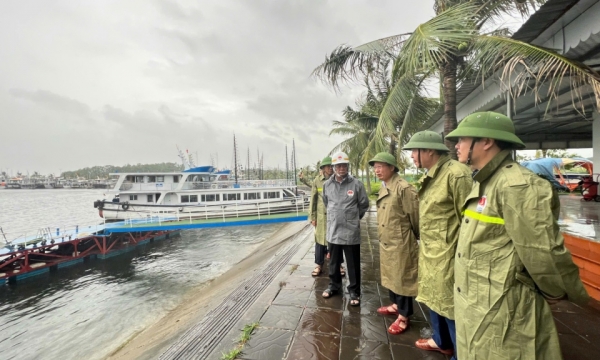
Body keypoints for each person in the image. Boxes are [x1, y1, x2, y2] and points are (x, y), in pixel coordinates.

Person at [445, 111, 589, 359]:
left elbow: (542, 250)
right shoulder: (485, 182)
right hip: (479, 302)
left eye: (463, 139)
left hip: (504, 307)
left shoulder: (517, 185)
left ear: (487, 142)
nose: (457, 146)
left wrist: (555, 290)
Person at [402, 131, 471, 357]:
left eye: (415, 150)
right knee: (433, 299)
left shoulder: (457, 175)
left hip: (449, 256)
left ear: (429, 150)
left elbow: (468, 222)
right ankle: (441, 341)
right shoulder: (432, 175)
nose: (412, 155)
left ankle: (459, 354)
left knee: (451, 308)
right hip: (431, 253)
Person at [368, 152, 420, 334]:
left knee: (402, 278)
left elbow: (416, 217)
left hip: (401, 243)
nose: (377, 170)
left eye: (381, 166)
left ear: (392, 168)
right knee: (391, 275)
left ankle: (404, 316)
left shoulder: (404, 188)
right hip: (387, 241)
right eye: (375, 167)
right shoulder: (385, 186)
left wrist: (413, 238)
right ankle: (395, 305)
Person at [321, 151, 369, 306]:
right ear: (333, 167)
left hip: (351, 231)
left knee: (353, 263)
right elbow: (326, 203)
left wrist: (353, 218)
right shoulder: (327, 185)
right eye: (339, 165)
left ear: (348, 166)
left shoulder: (356, 184)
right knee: (334, 262)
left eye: (344, 165)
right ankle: (334, 286)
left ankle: (354, 291)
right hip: (334, 230)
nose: (342, 168)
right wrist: (337, 216)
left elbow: (364, 204)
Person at [309, 156, 334, 276]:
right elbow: (313, 200)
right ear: (323, 168)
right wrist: (312, 217)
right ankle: (319, 265)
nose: (330, 168)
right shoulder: (317, 181)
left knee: (335, 241)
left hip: (333, 216)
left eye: (332, 166)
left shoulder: (337, 179)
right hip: (320, 217)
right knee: (319, 241)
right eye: (328, 166)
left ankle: (338, 264)